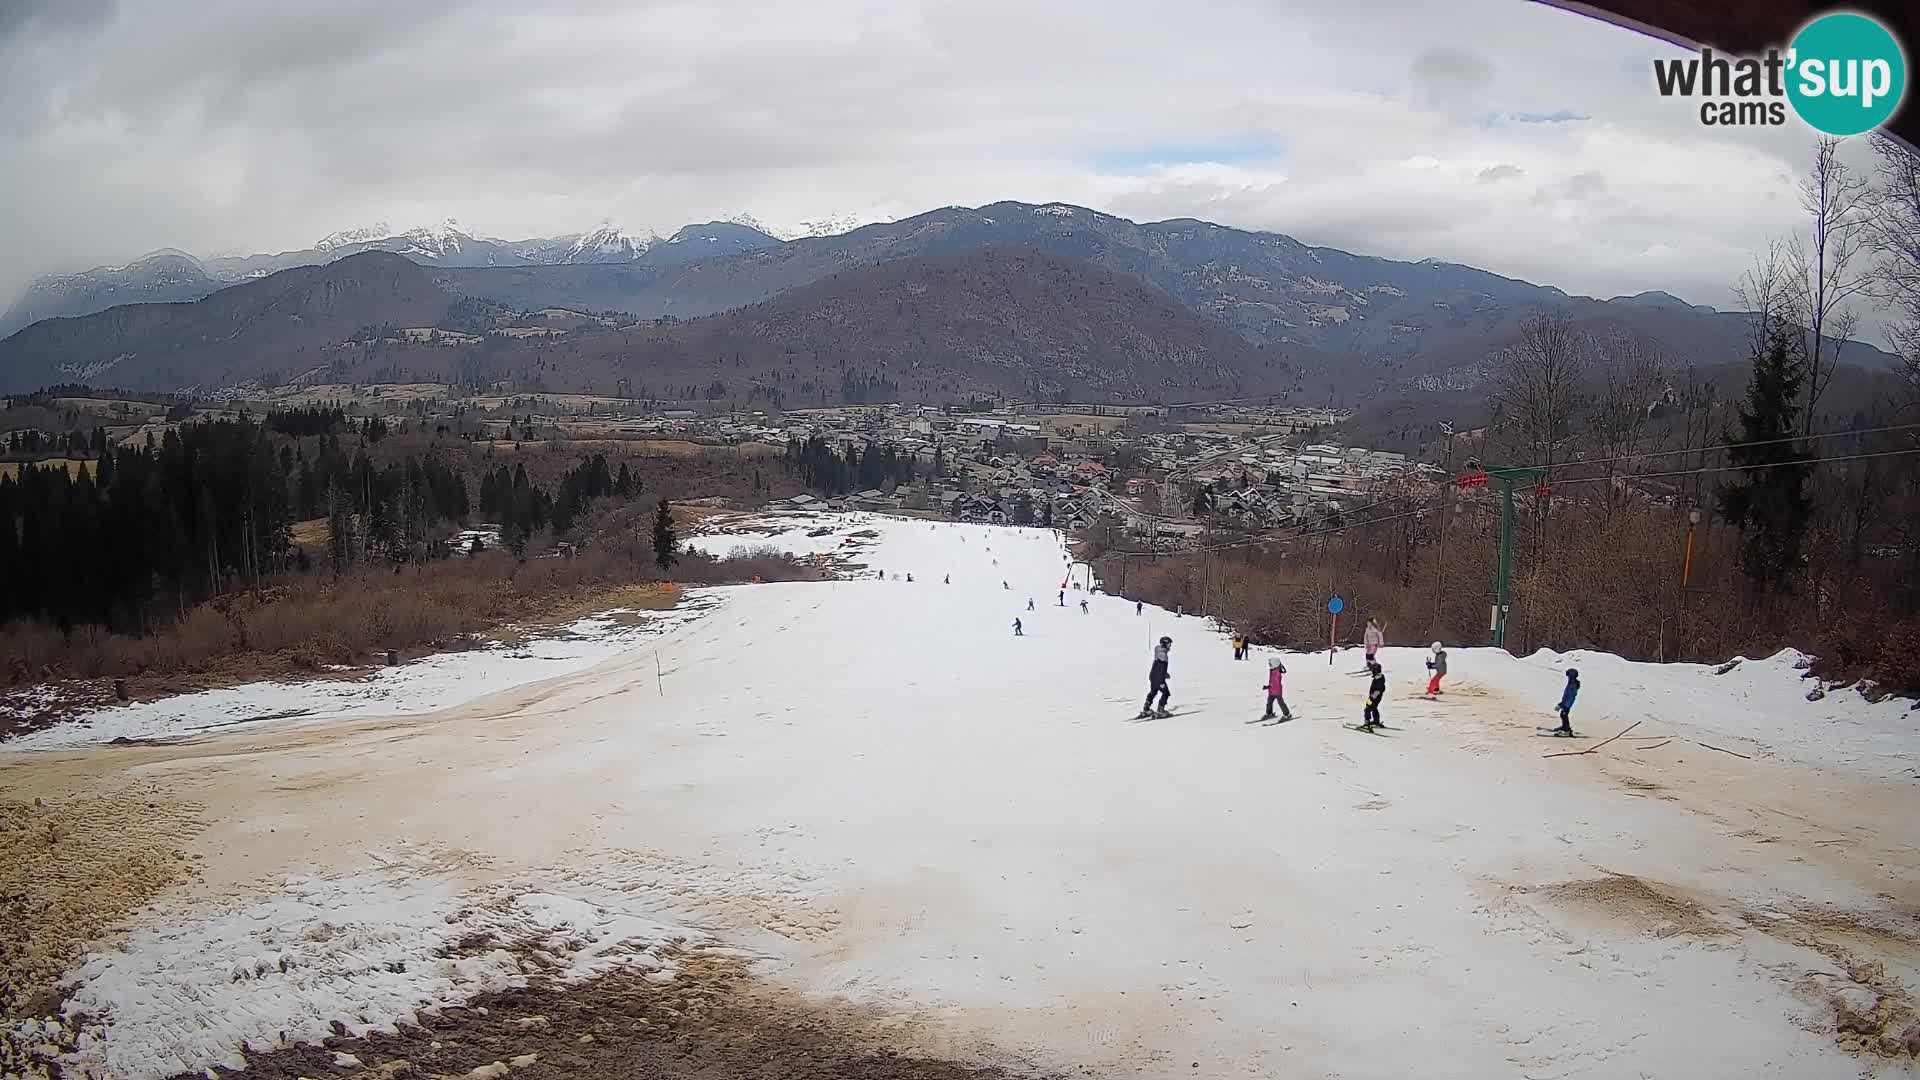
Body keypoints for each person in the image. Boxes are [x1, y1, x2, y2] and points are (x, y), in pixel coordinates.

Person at [1138, 637, 1173, 718]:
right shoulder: (1163, 655)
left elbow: (1157, 667)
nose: (1170, 645)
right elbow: (1160, 667)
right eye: (1168, 644)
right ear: (1164, 644)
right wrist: (1161, 680)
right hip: (1158, 678)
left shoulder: (1159, 652)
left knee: (1153, 691)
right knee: (1166, 693)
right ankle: (1161, 710)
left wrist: (1165, 673)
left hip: (1153, 676)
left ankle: (1146, 708)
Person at [1263, 656, 1292, 721]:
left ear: (1275, 664)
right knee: (1269, 703)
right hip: (1271, 691)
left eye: (1270, 664)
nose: (1269, 665)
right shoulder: (1272, 670)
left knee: (1281, 703)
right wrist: (1269, 686)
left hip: (1277, 691)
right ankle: (1269, 713)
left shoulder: (1277, 672)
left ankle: (1287, 714)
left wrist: (1268, 686)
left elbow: (1276, 684)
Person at [1554, 668, 1580, 733]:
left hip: (1567, 703)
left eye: (1568, 675)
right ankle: (1564, 726)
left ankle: (1566, 729)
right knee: (1563, 715)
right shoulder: (1571, 683)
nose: (1568, 677)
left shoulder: (1572, 684)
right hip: (1566, 703)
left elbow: (1570, 696)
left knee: (1564, 715)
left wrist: (1562, 704)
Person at [1362, 660, 1386, 729]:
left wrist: (1372, 698)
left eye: (1373, 670)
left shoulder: (1379, 679)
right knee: (1374, 708)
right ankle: (1376, 721)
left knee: (1367, 708)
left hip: (1374, 697)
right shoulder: (1378, 678)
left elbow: (1378, 690)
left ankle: (1367, 722)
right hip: (1374, 697)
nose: (1372, 671)